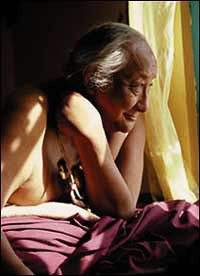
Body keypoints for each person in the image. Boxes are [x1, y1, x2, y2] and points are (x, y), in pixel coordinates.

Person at [1, 22, 157, 274]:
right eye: (135, 86)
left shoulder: (127, 121)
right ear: (94, 81)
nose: (144, 105)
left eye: (149, 86)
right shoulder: (31, 113)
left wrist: (92, 136)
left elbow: (124, 211)